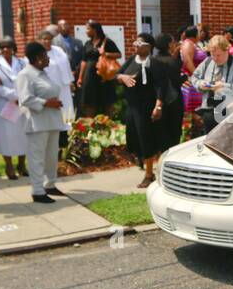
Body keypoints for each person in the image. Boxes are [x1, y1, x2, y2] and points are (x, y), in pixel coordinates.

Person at [16, 41, 69, 202]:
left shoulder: (44, 73)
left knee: (51, 156)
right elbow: (25, 99)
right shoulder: (25, 75)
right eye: (46, 56)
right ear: (38, 58)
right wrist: (46, 103)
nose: (48, 59)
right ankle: (38, 191)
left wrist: (54, 102)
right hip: (37, 123)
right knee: (37, 158)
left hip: (52, 120)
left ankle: (49, 185)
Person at [117, 34, 167, 188]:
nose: (136, 45)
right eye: (135, 42)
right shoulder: (132, 60)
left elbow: (161, 85)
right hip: (132, 106)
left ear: (149, 47)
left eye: (140, 43)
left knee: (147, 139)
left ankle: (149, 174)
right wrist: (123, 77)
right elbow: (117, 74)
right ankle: (147, 167)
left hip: (147, 107)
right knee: (134, 138)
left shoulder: (155, 63)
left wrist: (158, 105)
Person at [190, 34, 233, 131]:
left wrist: (224, 87)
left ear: (227, 50)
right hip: (209, 111)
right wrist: (200, 85)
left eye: (218, 55)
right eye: (212, 54)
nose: (215, 58)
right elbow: (194, 78)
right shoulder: (207, 62)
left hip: (231, 112)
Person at [0, 36, 28, 180]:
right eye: (3, 47)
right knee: (6, 137)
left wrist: (21, 96)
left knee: (23, 135)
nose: (6, 49)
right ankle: (9, 166)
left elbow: (28, 80)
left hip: (21, 104)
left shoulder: (23, 63)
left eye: (9, 46)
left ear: (14, 48)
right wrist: (12, 95)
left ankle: (22, 164)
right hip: (3, 105)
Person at [77, 20, 121, 117]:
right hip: (89, 77)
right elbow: (84, 61)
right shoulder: (87, 43)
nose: (86, 31)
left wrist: (106, 53)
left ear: (95, 29)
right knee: (89, 103)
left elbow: (118, 54)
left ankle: (109, 126)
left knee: (107, 103)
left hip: (103, 76)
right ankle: (90, 127)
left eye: (88, 29)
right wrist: (80, 77)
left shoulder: (107, 41)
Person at [150, 33, 185, 153]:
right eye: (173, 42)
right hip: (173, 101)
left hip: (155, 101)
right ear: (169, 44)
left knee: (161, 130)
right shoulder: (172, 62)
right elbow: (176, 82)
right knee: (174, 131)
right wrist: (185, 77)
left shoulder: (152, 60)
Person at [54, 19, 85, 84]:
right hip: (60, 76)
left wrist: (75, 71)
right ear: (58, 28)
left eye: (66, 25)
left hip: (76, 76)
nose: (65, 27)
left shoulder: (78, 42)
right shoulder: (54, 42)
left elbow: (82, 58)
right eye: (62, 26)